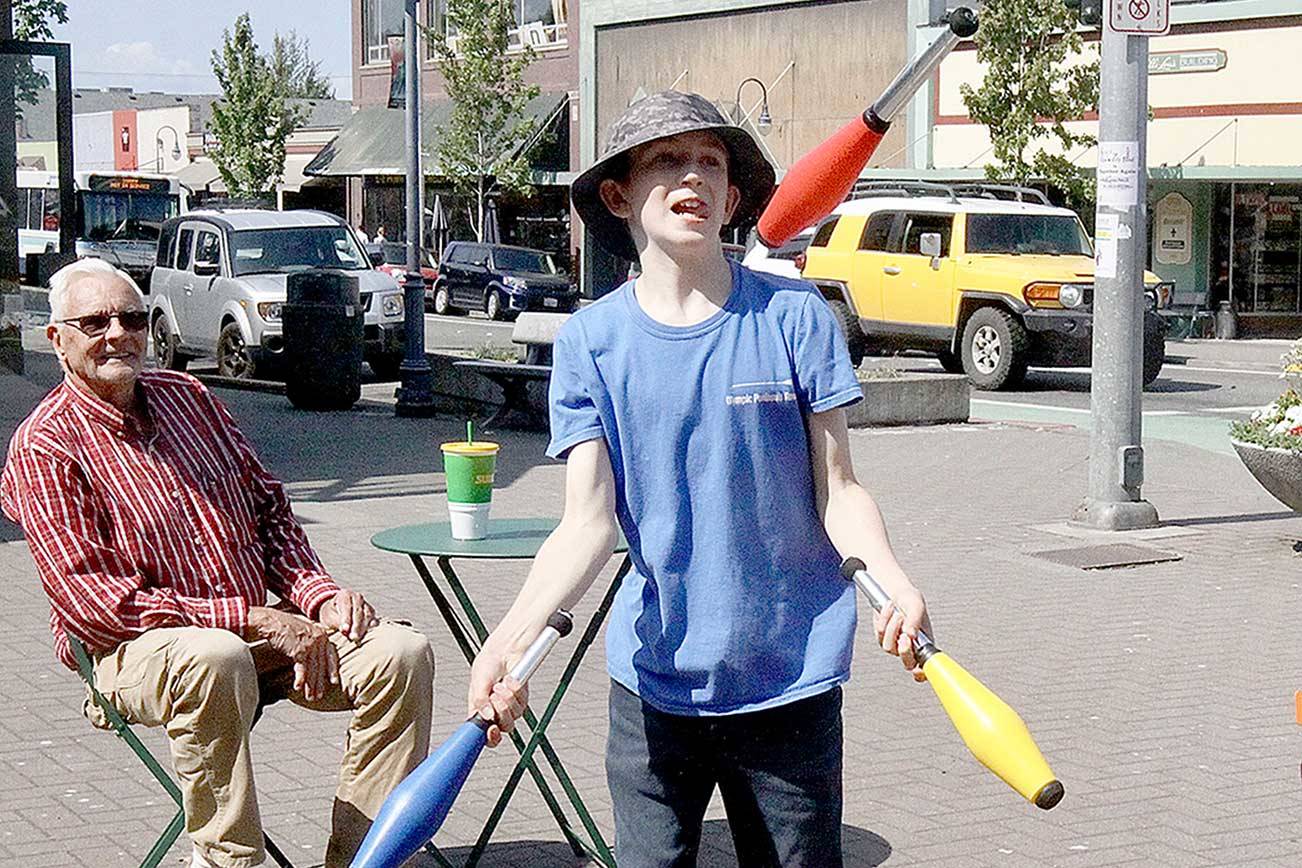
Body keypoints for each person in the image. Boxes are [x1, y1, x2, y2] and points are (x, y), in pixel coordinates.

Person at [467, 90, 934, 867]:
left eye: (711, 162)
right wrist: (508, 639)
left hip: (789, 678)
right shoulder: (591, 343)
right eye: (667, 159)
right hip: (655, 684)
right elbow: (587, 523)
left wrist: (893, 582)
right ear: (618, 195)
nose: (694, 176)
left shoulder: (795, 318)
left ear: (734, 198)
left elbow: (840, 490)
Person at [0, 258, 455, 868]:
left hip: (254, 636)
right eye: (95, 322)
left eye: (131, 318)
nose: (118, 334)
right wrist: (256, 619)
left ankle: (367, 858)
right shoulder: (45, 446)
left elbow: (269, 511)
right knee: (215, 655)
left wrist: (317, 596)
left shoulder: (191, 398)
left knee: (401, 653)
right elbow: (99, 606)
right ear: (57, 340)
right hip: (132, 653)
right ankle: (227, 861)